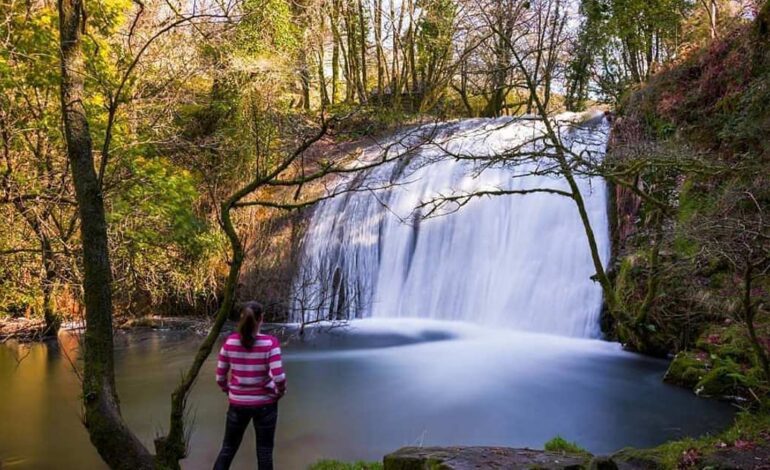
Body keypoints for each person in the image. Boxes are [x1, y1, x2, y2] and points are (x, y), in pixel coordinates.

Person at [213, 301, 286, 470]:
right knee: (265, 452)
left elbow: (219, 377)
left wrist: (229, 391)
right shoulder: (270, 343)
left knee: (228, 449)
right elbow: (279, 377)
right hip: (266, 404)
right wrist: (279, 392)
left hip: (237, 404)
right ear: (262, 319)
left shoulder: (229, 342)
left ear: (241, 319)